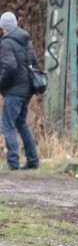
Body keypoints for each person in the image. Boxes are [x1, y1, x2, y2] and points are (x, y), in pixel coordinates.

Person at [0, 11, 40, 171]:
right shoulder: (26, 41)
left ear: (3, 28)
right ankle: (32, 160)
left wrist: (1, 84)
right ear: (16, 24)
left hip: (14, 90)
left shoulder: (6, 43)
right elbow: (34, 63)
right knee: (21, 123)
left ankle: (13, 162)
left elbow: (9, 66)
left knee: (7, 125)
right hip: (27, 89)